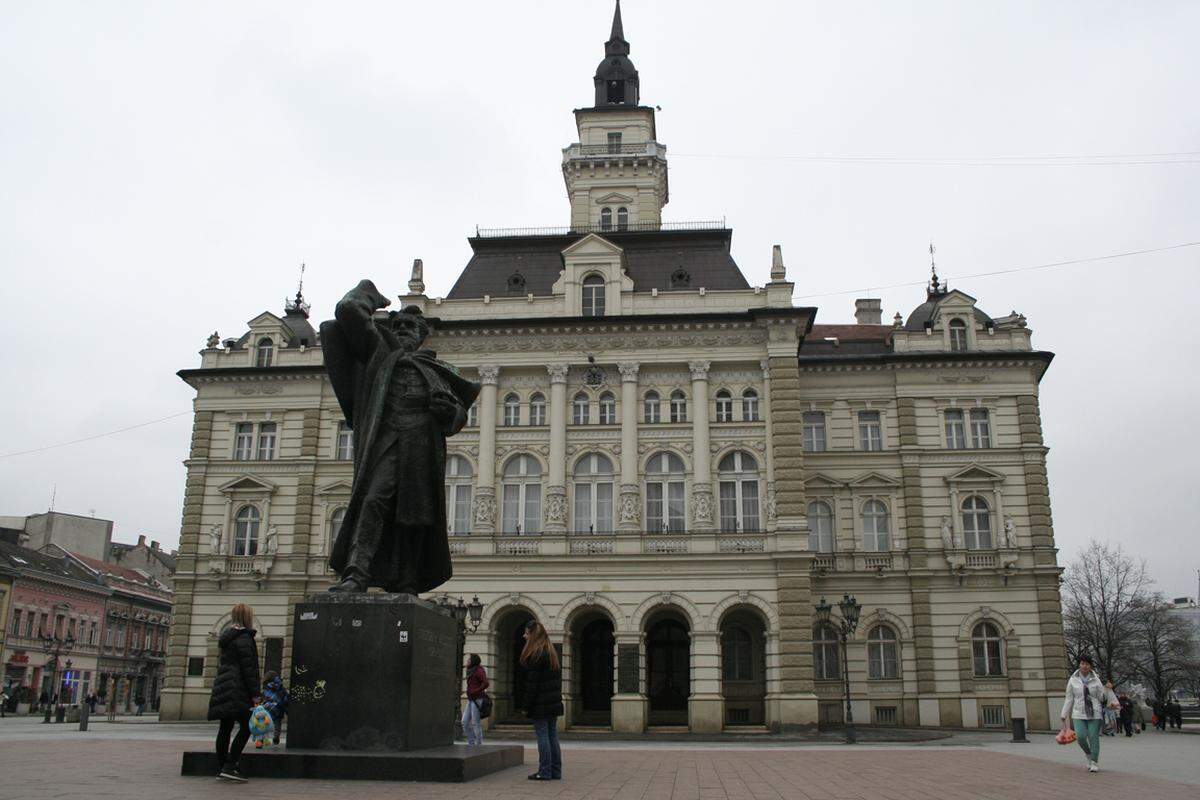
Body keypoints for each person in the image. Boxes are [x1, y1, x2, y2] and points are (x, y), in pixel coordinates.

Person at [207, 603, 261, 782]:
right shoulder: (244, 638)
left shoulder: (227, 636)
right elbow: (249, 668)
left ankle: (222, 767)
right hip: (237, 688)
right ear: (247, 617)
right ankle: (230, 766)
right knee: (247, 726)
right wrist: (255, 694)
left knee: (225, 728)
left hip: (223, 686)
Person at [521, 620, 563, 781]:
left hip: (541, 704)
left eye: (526, 633)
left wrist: (526, 706)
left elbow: (532, 685)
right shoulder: (550, 652)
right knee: (552, 736)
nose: (524, 636)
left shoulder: (536, 655)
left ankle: (544, 771)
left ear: (533, 635)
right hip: (553, 703)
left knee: (543, 736)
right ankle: (555, 771)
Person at [1060, 654, 1117, 773]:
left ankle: (1094, 762)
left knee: (1093, 737)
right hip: (1078, 713)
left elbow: (1101, 698)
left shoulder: (1096, 680)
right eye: (1082, 663)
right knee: (1080, 737)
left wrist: (1107, 689)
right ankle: (1089, 754)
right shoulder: (1073, 680)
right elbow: (1069, 698)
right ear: (1079, 665)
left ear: (1090, 666)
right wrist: (1064, 714)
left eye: (1087, 664)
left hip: (1094, 713)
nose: (1084, 666)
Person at [462, 653, 489, 746]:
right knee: (464, 722)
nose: (467, 661)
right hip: (471, 699)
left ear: (473, 661)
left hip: (477, 699)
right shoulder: (471, 670)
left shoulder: (478, 670)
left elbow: (486, 683)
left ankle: (478, 745)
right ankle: (471, 743)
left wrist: (475, 691)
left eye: (469, 660)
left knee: (475, 723)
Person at [261, 672, 289, 746]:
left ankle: (262, 738)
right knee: (277, 725)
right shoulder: (281, 688)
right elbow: (285, 698)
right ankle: (276, 737)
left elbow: (263, 698)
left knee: (265, 724)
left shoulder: (266, 687)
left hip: (268, 709)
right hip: (278, 709)